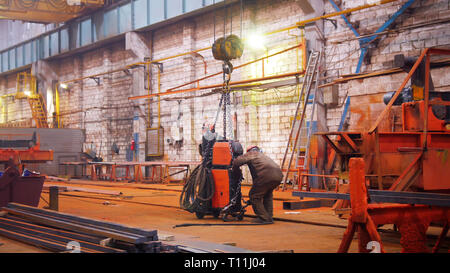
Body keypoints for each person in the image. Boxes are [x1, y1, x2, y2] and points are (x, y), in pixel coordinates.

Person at [232, 146, 283, 224]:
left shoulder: (251, 154)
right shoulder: (263, 156)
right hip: (278, 176)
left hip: (266, 176)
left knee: (254, 196)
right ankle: (269, 216)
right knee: (267, 195)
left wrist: (235, 172)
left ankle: (263, 218)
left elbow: (237, 162)